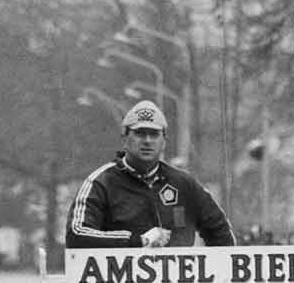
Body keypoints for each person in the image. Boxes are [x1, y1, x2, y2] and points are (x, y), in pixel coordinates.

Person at [66, 100, 235, 250]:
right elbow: (76, 235)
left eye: (154, 134)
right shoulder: (101, 182)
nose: (147, 140)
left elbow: (221, 232)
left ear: (164, 141)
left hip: (175, 277)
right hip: (120, 276)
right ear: (125, 137)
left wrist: (219, 272)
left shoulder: (184, 184)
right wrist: (139, 241)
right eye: (140, 133)